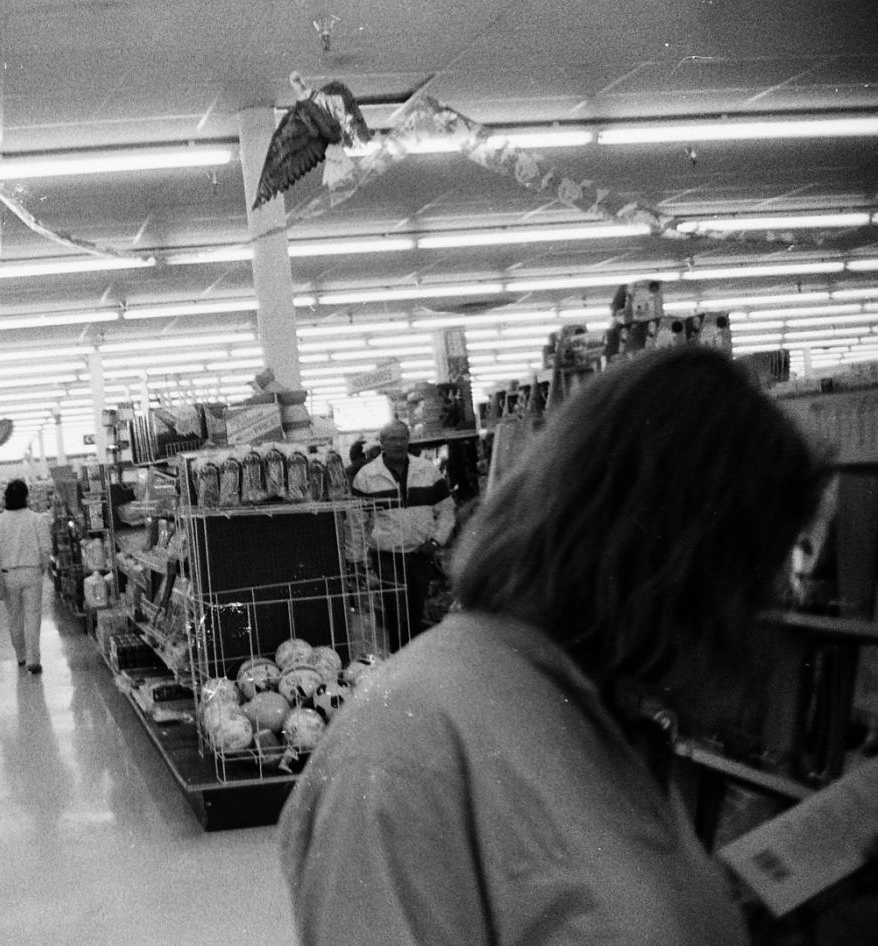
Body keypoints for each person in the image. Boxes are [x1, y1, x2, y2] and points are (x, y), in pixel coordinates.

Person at [279, 347, 825, 946]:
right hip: (393, 567)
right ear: (674, 563)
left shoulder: (605, 711)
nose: (776, 605)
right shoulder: (406, 755)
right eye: (760, 569)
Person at [351, 419, 455, 648]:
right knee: (396, 612)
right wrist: (358, 558)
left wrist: (436, 541)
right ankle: (400, 659)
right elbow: (358, 521)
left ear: (409, 440)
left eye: (403, 438)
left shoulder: (428, 471)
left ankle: (413, 661)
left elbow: (447, 510)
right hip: (387, 555)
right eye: (392, 439)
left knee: (416, 610)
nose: (398, 443)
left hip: (420, 554)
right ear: (382, 443)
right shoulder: (367, 476)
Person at [0, 479, 52, 674]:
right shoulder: (37, 519)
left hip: (7, 575)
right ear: (26, 496)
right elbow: (46, 548)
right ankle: (33, 659)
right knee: (33, 615)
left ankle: (20, 656)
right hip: (32, 572)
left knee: (14, 616)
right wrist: (42, 567)